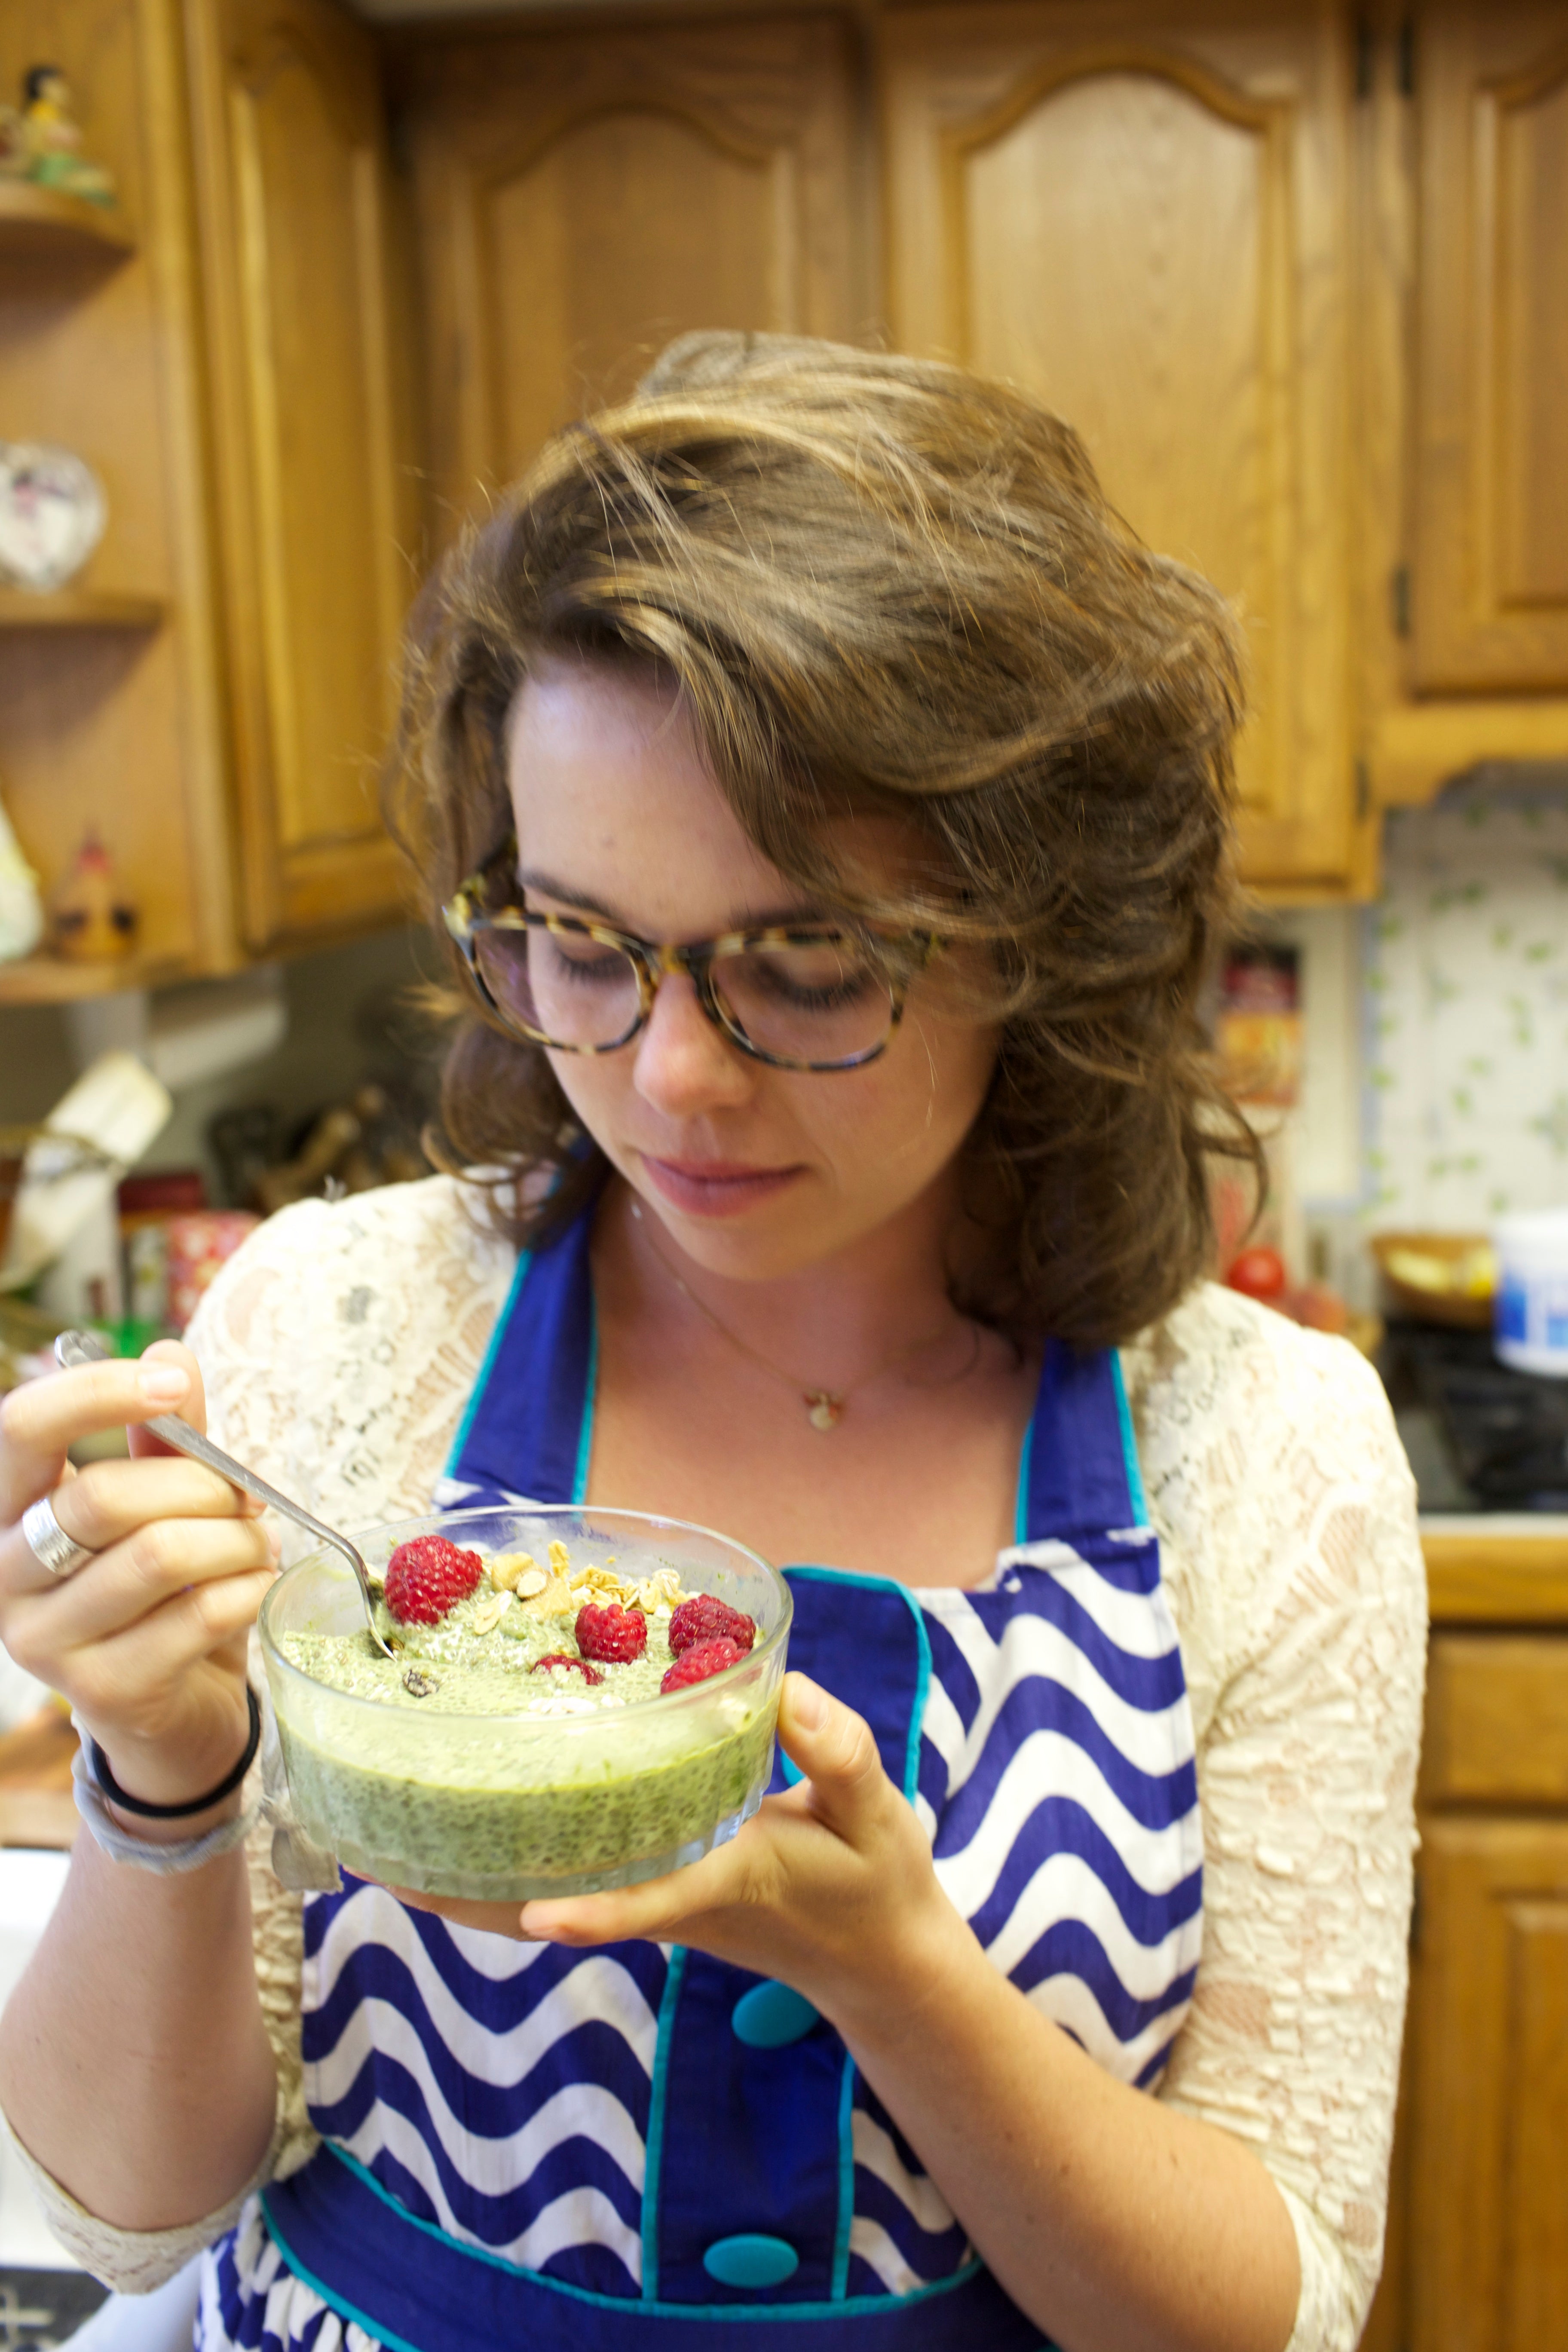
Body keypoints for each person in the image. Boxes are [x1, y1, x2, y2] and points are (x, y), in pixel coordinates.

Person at [0, 336, 1423, 2352]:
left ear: (1045, 937)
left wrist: (894, 1969)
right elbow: (132, 2214)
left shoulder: (1272, 1456)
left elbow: (1265, 2313)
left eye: (810, 960)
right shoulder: (330, 1332)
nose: (671, 1077)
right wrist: (162, 1770)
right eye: (580, 942)